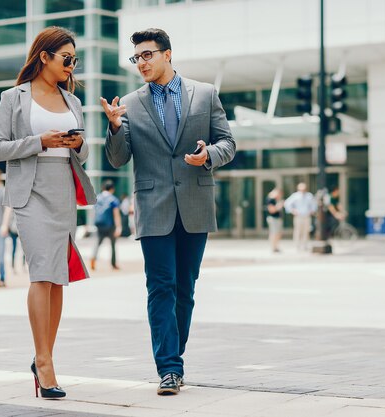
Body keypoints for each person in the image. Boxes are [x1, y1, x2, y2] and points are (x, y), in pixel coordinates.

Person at [100, 28, 236, 395]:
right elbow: (117, 159)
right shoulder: (128, 103)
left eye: (147, 55)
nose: (141, 63)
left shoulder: (205, 94)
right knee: (161, 287)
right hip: (152, 206)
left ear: (167, 54)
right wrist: (113, 127)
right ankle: (170, 369)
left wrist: (209, 155)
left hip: (195, 203)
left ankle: (173, 356)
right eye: (136, 58)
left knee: (185, 289)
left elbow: (228, 143)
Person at [0, 26, 96, 399]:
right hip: (30, 193)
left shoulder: (73, 101)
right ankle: (44, 361)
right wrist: (40, 142)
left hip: (63, 190)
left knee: (58, 277)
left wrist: (78, 143)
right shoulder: (13, 98)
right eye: (66, 58)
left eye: (74, 59)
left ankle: (45, 356)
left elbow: (83, 155)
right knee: (41, 273)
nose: (71, 65)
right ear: (44, 57)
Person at [91, 180, 122, 270]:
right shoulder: (113, 199)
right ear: (112, 189)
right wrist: (119, 227)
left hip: (99, 224)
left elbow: (94, 211)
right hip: (110, 225)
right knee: (113, 245)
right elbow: (116, 214)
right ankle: (113, 263)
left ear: (103, 188)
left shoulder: (97, 198)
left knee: (97, 243)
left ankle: (93, 258)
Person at [284, 182, 317, 251]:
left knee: (306, 231)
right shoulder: (295, 196)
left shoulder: (309, 196)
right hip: (298, 216)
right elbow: (287, 203)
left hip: (306, 216)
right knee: (298, 231)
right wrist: (293, 210)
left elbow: (314, 204)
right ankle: (297, 245)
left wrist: (312, 211)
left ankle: (305, 245)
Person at [265, 187, 283, 253]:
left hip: (277, 218)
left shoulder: (275, 200)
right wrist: (279, 206)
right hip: (273, 219)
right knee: (274, 233)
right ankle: (273, 247)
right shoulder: (270, 200)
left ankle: (276, 247)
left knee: (277, 233)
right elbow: (272, 210)